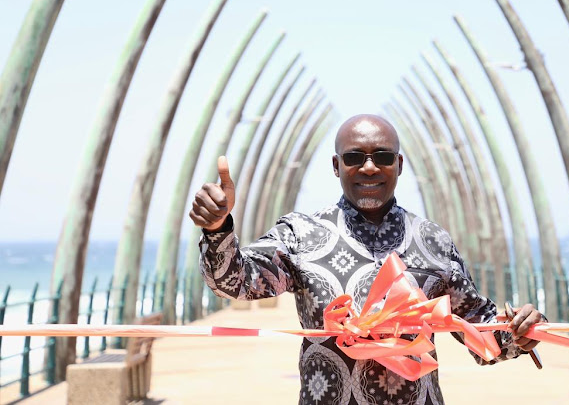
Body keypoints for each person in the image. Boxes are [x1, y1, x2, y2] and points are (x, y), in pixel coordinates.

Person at [190, 114, 544, 405]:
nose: (370, 167)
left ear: (399, 165)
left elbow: (483, 336)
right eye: (355, 157)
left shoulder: (433, 241)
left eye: (383, 157)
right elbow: (233, 282)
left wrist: (523, 330)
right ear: (336, 165)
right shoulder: (301, 235)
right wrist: (218, 228)